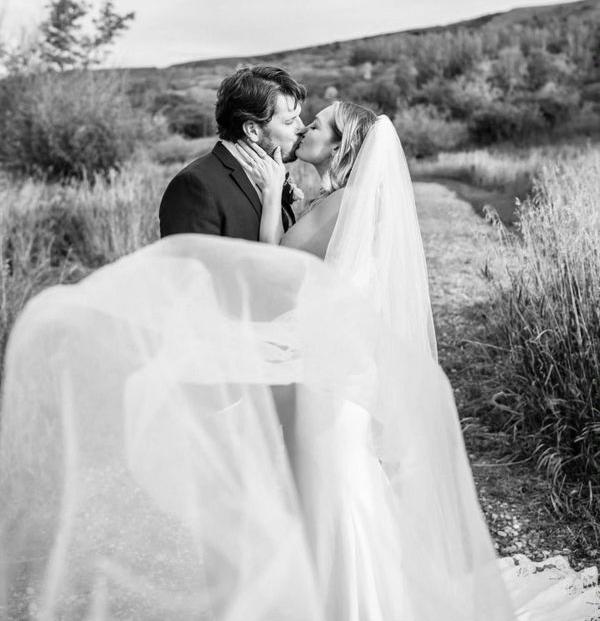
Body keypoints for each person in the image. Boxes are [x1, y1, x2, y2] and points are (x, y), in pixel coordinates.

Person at [0, 102, 599, 621]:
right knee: (332, 492)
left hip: (328, 378)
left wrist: (267, 197)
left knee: (335, 492)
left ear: (344, 146)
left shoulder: (341, 205)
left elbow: (276, 266)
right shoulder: (339, 202)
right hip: (332, 368)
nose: (306, 127)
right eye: (303, 120)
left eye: (317, 125)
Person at [159, 65, 306, 240]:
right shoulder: (196, 186)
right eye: (289, 121)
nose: (302, 128)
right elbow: (191, 266)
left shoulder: (271, 177)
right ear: (252, 130)